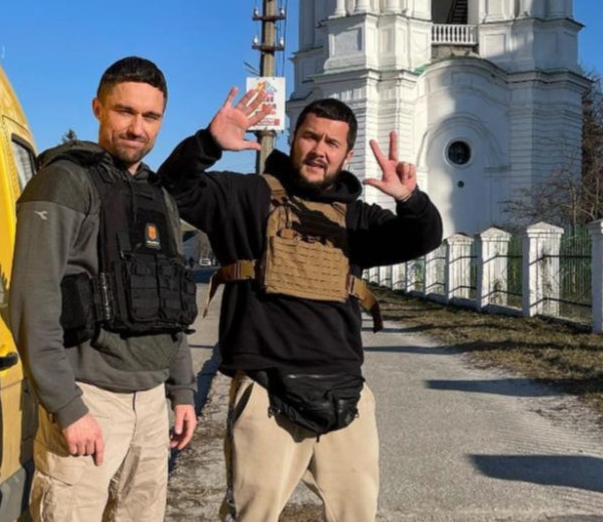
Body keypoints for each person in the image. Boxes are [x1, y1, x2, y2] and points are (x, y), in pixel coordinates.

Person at [157, 89, 443, 522]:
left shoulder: (358, 219)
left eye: (332, 143)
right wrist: (208, 144)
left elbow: (421, 237)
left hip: (345, 390)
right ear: (294, 140)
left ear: (346, 156)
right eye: (311, 137)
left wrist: (410, 199)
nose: (318, 151)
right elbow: (172, 189)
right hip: (265, 389)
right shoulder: (246, 197)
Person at [9, 56, 198, 522]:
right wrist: (66, 408)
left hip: (152, 407)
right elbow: (31, 302)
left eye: (150, 116)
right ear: (98, 108)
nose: (137, 128)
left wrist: (183, 391)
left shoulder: (160, 198)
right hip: (90, 398)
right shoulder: (63, 182)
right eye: (124, 111)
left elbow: (169, 302)